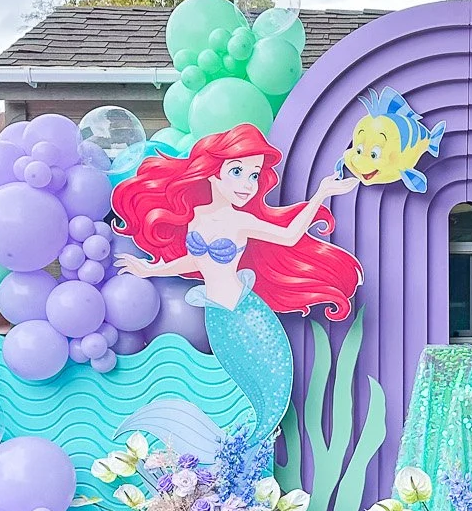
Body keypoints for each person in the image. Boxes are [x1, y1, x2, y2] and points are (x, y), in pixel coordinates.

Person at [111, 123, 361, 441]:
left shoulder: (240, 220)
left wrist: (321, 195)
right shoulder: (197, 217)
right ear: (213, 172)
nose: (247, 184)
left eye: (254, 175)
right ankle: (236, 450)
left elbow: (288, 236)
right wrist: (151, 270)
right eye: (238, 171)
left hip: (247, 314)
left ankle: (253, 448)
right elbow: (198, 262)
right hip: (217, 315)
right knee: (237, 383)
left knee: (272, 385)